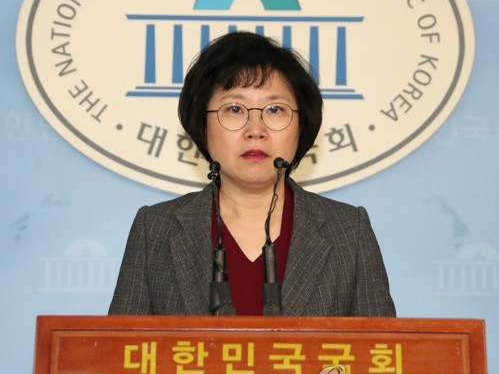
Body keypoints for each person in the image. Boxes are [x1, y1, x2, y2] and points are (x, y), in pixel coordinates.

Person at [109, 31, 395, 317]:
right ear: (203, 125)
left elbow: (381, 345)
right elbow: (117, 345)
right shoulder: (155, 230)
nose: (255, 130)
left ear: (301, 126)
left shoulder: (348, 232)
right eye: (234, 109)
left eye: (275, 109)